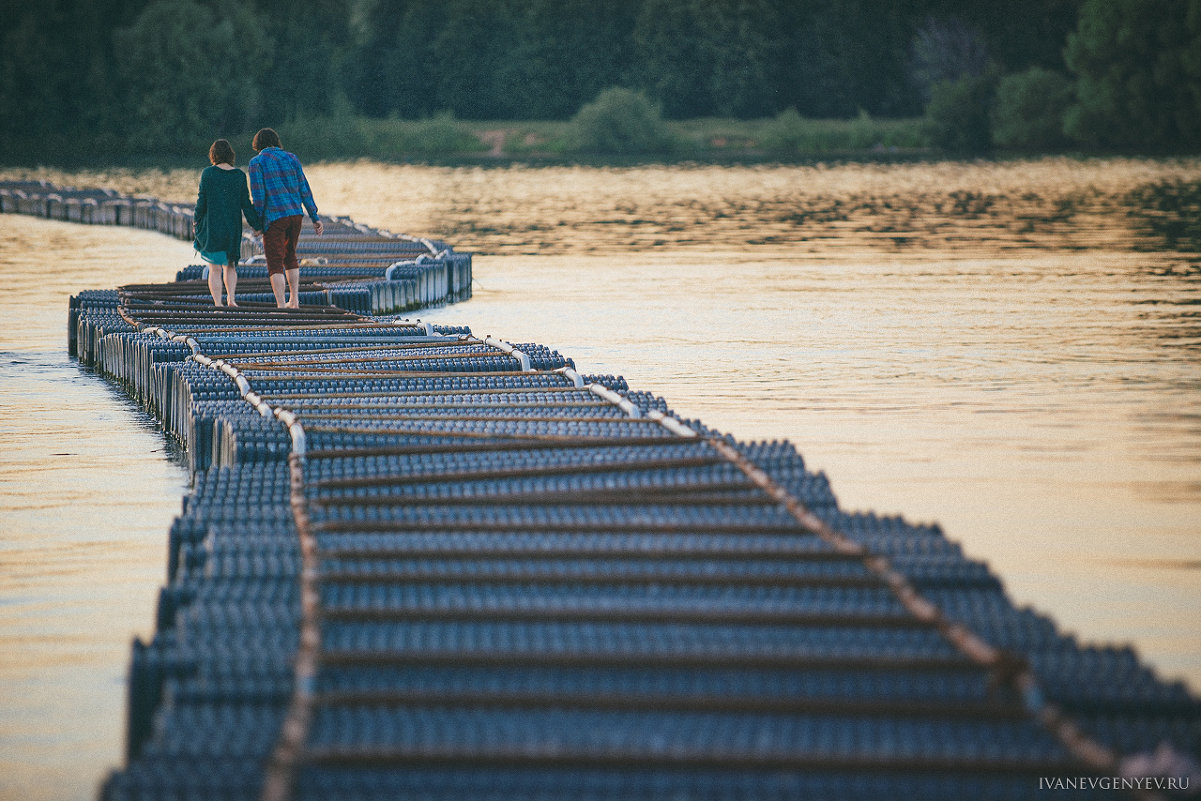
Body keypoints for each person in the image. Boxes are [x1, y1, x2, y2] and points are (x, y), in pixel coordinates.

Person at [247, 127, 323, 309]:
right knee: (290, 256)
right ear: (276, 141)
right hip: (296, 215)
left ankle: (281, 305)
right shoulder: (292, 158)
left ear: (258, 144)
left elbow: (258, 197)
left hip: (275, 217)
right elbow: (304, 188)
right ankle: (294, 301)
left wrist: (257, 224)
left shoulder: (256, 163)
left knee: (274, 261)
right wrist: (314, 216)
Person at [193, 139, 261, 307]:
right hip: (232, 228)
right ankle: (232, 299)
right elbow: (246, 204)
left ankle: (218, 304)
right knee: (230, 266)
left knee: (214, 268)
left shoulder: (207, 174)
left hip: (213, 227)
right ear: (231, 155)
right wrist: (257, 225)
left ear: (213, 155)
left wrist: (196, 220)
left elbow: (201, 202)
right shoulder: (239, 175)